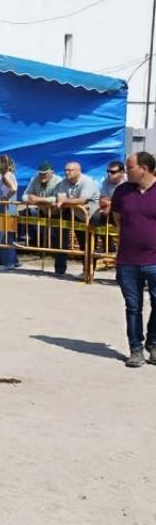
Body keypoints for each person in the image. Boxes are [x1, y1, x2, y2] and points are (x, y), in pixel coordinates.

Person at [111, 152, 156, 368]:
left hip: (155, 260)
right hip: (128, 260)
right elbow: (118, 219)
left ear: (144, 168)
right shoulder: (122, 192)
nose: (126, 171)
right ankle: (136, 349)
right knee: (133, 306)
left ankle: (153, 344)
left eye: (130, 167)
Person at [52, 161, 100, 276]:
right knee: (69, 241)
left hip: (91, 216)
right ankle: (60, 270)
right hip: (77, 215)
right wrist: (64, 201)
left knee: (88, 245)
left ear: (78, 171)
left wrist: (64, 202)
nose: (66, 172)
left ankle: (89, 272)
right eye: (65, 170)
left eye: (70, 170)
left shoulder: (87, 182)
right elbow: (60, 197)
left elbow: (81, 200)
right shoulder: (64, 182)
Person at [0, 154, 20, 270]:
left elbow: (13, 188)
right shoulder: (11, 174)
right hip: (11, 208)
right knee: (9, 236)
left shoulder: (5, 176)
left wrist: (5, 198)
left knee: (3, 236)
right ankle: (13, 260)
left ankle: (7, 262)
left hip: (5, 208)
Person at [95, 161, 126, 227]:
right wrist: (104, 202)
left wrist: (111, 204)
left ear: (122, 172)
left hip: (125, 210)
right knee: (95, 218)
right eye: (108, 171)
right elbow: (103, 199)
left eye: (113, 172)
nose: (109, 174)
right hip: (112, 209)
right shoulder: (105, 182)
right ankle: (104, 236)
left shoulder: (128, 180)